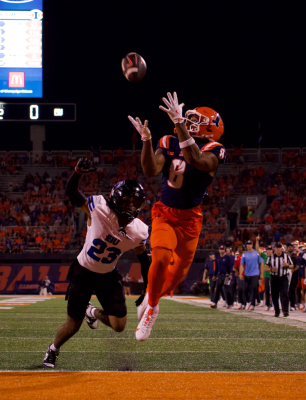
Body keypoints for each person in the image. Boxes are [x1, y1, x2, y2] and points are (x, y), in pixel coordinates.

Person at [129, 92, 226, 341]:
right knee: (160, 257)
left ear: (209, 128)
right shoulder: (169, 141)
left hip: (191, 219)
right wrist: (147, 142)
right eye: (189, 118)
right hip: (165, 212)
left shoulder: (215, 149)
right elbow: (151, 169)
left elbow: (195, 158)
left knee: (175, 276)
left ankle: (153, 298)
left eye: (195, 120)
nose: (189, 121)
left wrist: (182, 125)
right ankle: (151, 308)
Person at [42, 158, 151, 368]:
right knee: (73, 326)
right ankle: (53, 349)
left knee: (119, 325)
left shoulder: (139, 230)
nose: (132, 206)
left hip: (107, 275)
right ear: (118, 198)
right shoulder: (99, 209)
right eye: (128, 200)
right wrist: (77, 173)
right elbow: (72, 193)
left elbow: (143, 258)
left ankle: (92, 311)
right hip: (83, 272)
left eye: (136, 203)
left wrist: (148, 288)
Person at [267, 243, 293, 317]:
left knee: (284, 294)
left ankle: (285, 311)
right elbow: (265, 268)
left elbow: (292, 265)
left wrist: (287, 265)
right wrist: (271, 269)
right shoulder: (270, 257)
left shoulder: (286, 256)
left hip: (283, 277)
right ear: (274, 249)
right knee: (274, 296)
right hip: (274, 278)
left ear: (282, 248)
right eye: (276, 248)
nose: (278, 249)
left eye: (279, 247)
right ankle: (277, 311)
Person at [240, 240, 264, 310]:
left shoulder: (256, 253)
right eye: (247, 244)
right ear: (246, 246)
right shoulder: (244, 255)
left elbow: (261, 262)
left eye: (250, 244)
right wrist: (241, 274)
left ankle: (252, 304)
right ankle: (248, 301)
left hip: (255, 273)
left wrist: (261, 273)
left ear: (252, 245)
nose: (249, 245)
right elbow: (241, 265)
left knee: (254, 288)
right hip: (247, 273)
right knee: (245, 289)